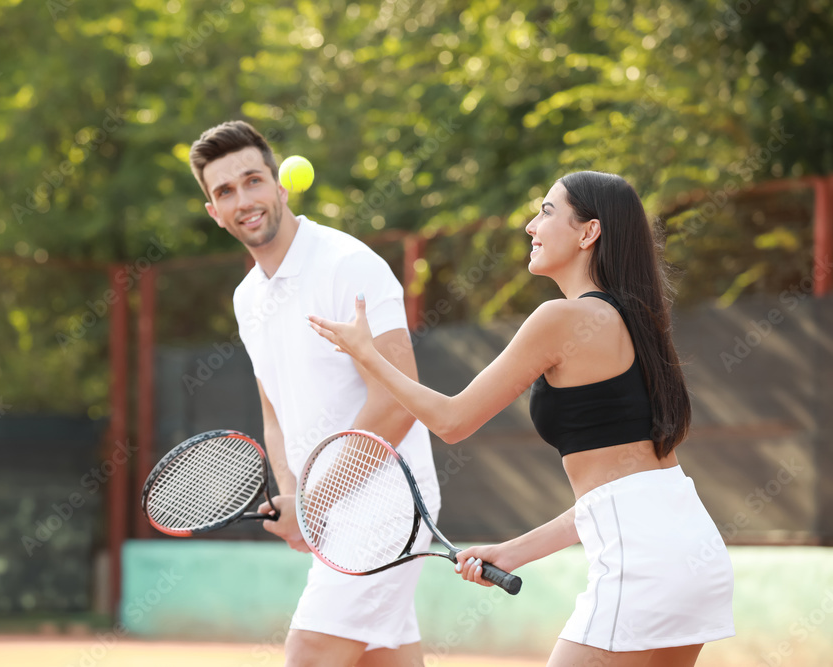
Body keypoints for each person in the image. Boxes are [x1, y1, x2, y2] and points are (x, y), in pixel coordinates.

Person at [308, 171, 735, 666]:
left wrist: (369, 356)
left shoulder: (561, 319)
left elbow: (452, 420)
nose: (531, 226)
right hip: (692, 553)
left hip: (645, 565)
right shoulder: (639, 324)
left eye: (547, 212)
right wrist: (513, 551)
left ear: (588, 232)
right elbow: (623, 491)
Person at [188, 120, 441, 666]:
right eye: (225, 191)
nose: (243, 200)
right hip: (335, 514)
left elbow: (399, 400)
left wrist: (313, 502)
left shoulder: (348, 265)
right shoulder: (246, 298)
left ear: (280, 185)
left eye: (253, 180)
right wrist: (294, 495)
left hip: (388, 504)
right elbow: (273, 410)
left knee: (307, 655)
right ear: (213, 212)